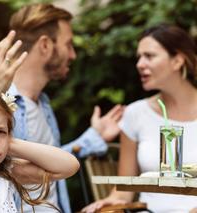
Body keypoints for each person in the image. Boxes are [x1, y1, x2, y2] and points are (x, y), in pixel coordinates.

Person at [0, 3, 124, 213]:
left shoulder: (43, 104)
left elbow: (40, 165)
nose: (73, 55)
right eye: (69, 45)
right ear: (45, 45)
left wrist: (92, 139)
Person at [81, 24, 197, 213]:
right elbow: (125, 189)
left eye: (149, 56)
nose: (140, 64)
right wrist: (111, 200)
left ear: (177, 61)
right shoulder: (136, 114)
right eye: (139, 57)